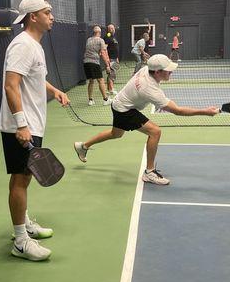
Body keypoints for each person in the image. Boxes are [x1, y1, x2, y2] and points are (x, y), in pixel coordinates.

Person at [0, 0, 70, 262]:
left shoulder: (35, 46)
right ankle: (20, 241)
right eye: (47, 12)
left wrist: (54, 90)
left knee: (25, 178)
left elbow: (34, 79)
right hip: (22, 126)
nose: (52, 17)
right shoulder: (22, 45)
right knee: (20, 179)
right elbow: (11, 85)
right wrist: (21, 124)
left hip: (32, 123)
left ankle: (24, 223)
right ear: (33, 17)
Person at [74, 54, 219, 185]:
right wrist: (205, 111)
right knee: (155, 132)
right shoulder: (149, 88)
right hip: (125, 110)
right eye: (168, 70)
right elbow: (178, 111)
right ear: (157, 72)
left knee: (116, 134)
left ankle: (83, 146)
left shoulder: (147, 69)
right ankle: (149, 173)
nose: (171, 72)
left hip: (119, 103)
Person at [83, 25, 112, 106]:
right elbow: (103, 53)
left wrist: (98, 51)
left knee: (91, 81)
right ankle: (106, 99)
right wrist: (107, 65)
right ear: (99, 32)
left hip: (86, 62)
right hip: (94, 63)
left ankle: (90, 100)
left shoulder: (88, 40)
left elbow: (90, 50)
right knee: (101, 80)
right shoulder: (100, 40)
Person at [104, 23, 120, 96]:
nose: (112, 29)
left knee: (112, 74)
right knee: (111, 74)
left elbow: (114, 48)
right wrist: (107, 59)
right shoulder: (108, 36)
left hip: (114, 58)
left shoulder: (113, 37)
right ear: (108, 30)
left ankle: (109, 89)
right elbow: (105, 48)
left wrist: (117, 58)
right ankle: (111, 89)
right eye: (110, 28)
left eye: (113, 28)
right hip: (110, 58)